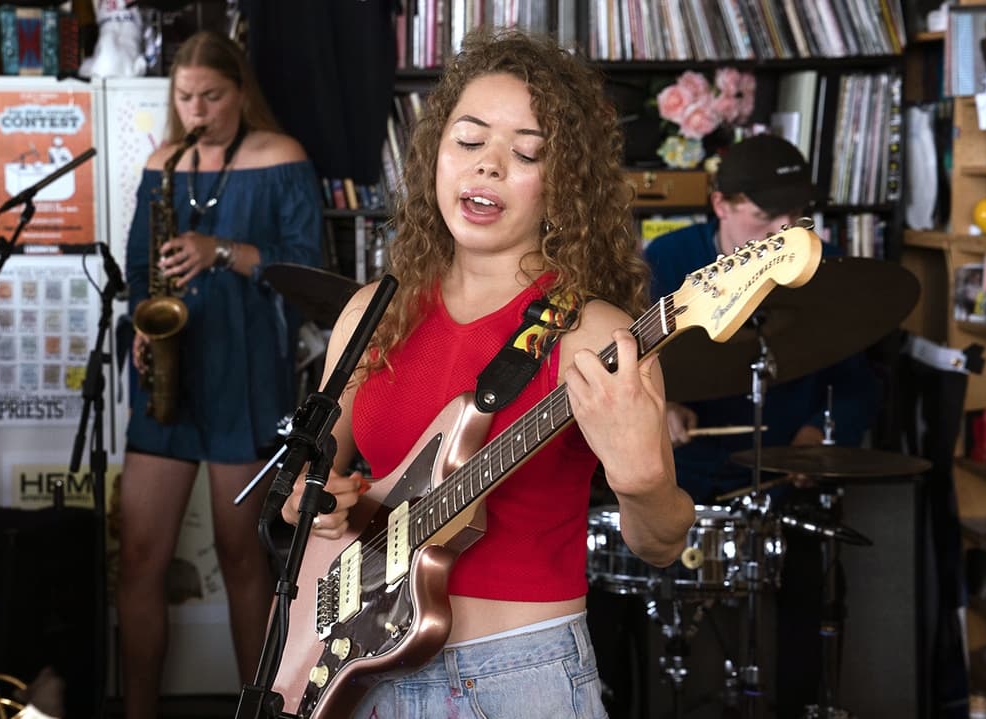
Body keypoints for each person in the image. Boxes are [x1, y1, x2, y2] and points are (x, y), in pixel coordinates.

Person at [280, 30, 695, 718]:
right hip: (358, 671)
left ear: (563, 182)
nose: (490, 167)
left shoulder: (595, 335)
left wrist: (644, 482)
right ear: (435, 153)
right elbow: (319, 478)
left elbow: (662, 543)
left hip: (520, 677)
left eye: (527, 152)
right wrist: (312, 502)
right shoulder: (371, 314)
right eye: (469, 141)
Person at [119, 29, 323, 719]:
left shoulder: (282, 157)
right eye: (185, 97)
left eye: (211, 95)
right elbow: (139, 276)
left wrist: (222, 251)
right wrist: (140, 332)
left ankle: (259, 710)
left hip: (246, 375)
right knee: (140, 554)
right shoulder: (163, 163)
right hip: (168, 383)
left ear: (241, 94)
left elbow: (307, 270)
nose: (197, 109)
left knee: (244, 558)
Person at [641, 133, 876, 717]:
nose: (784, 229)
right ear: (720, 203)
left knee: (809, 592)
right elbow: (623, 360)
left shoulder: (820, 263)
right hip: (687, 478)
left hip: (782, 478)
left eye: (797, 215)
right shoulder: (667, 261)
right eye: (766, 215)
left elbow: (858, 382)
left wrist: (822, 436)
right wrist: (656, 406)